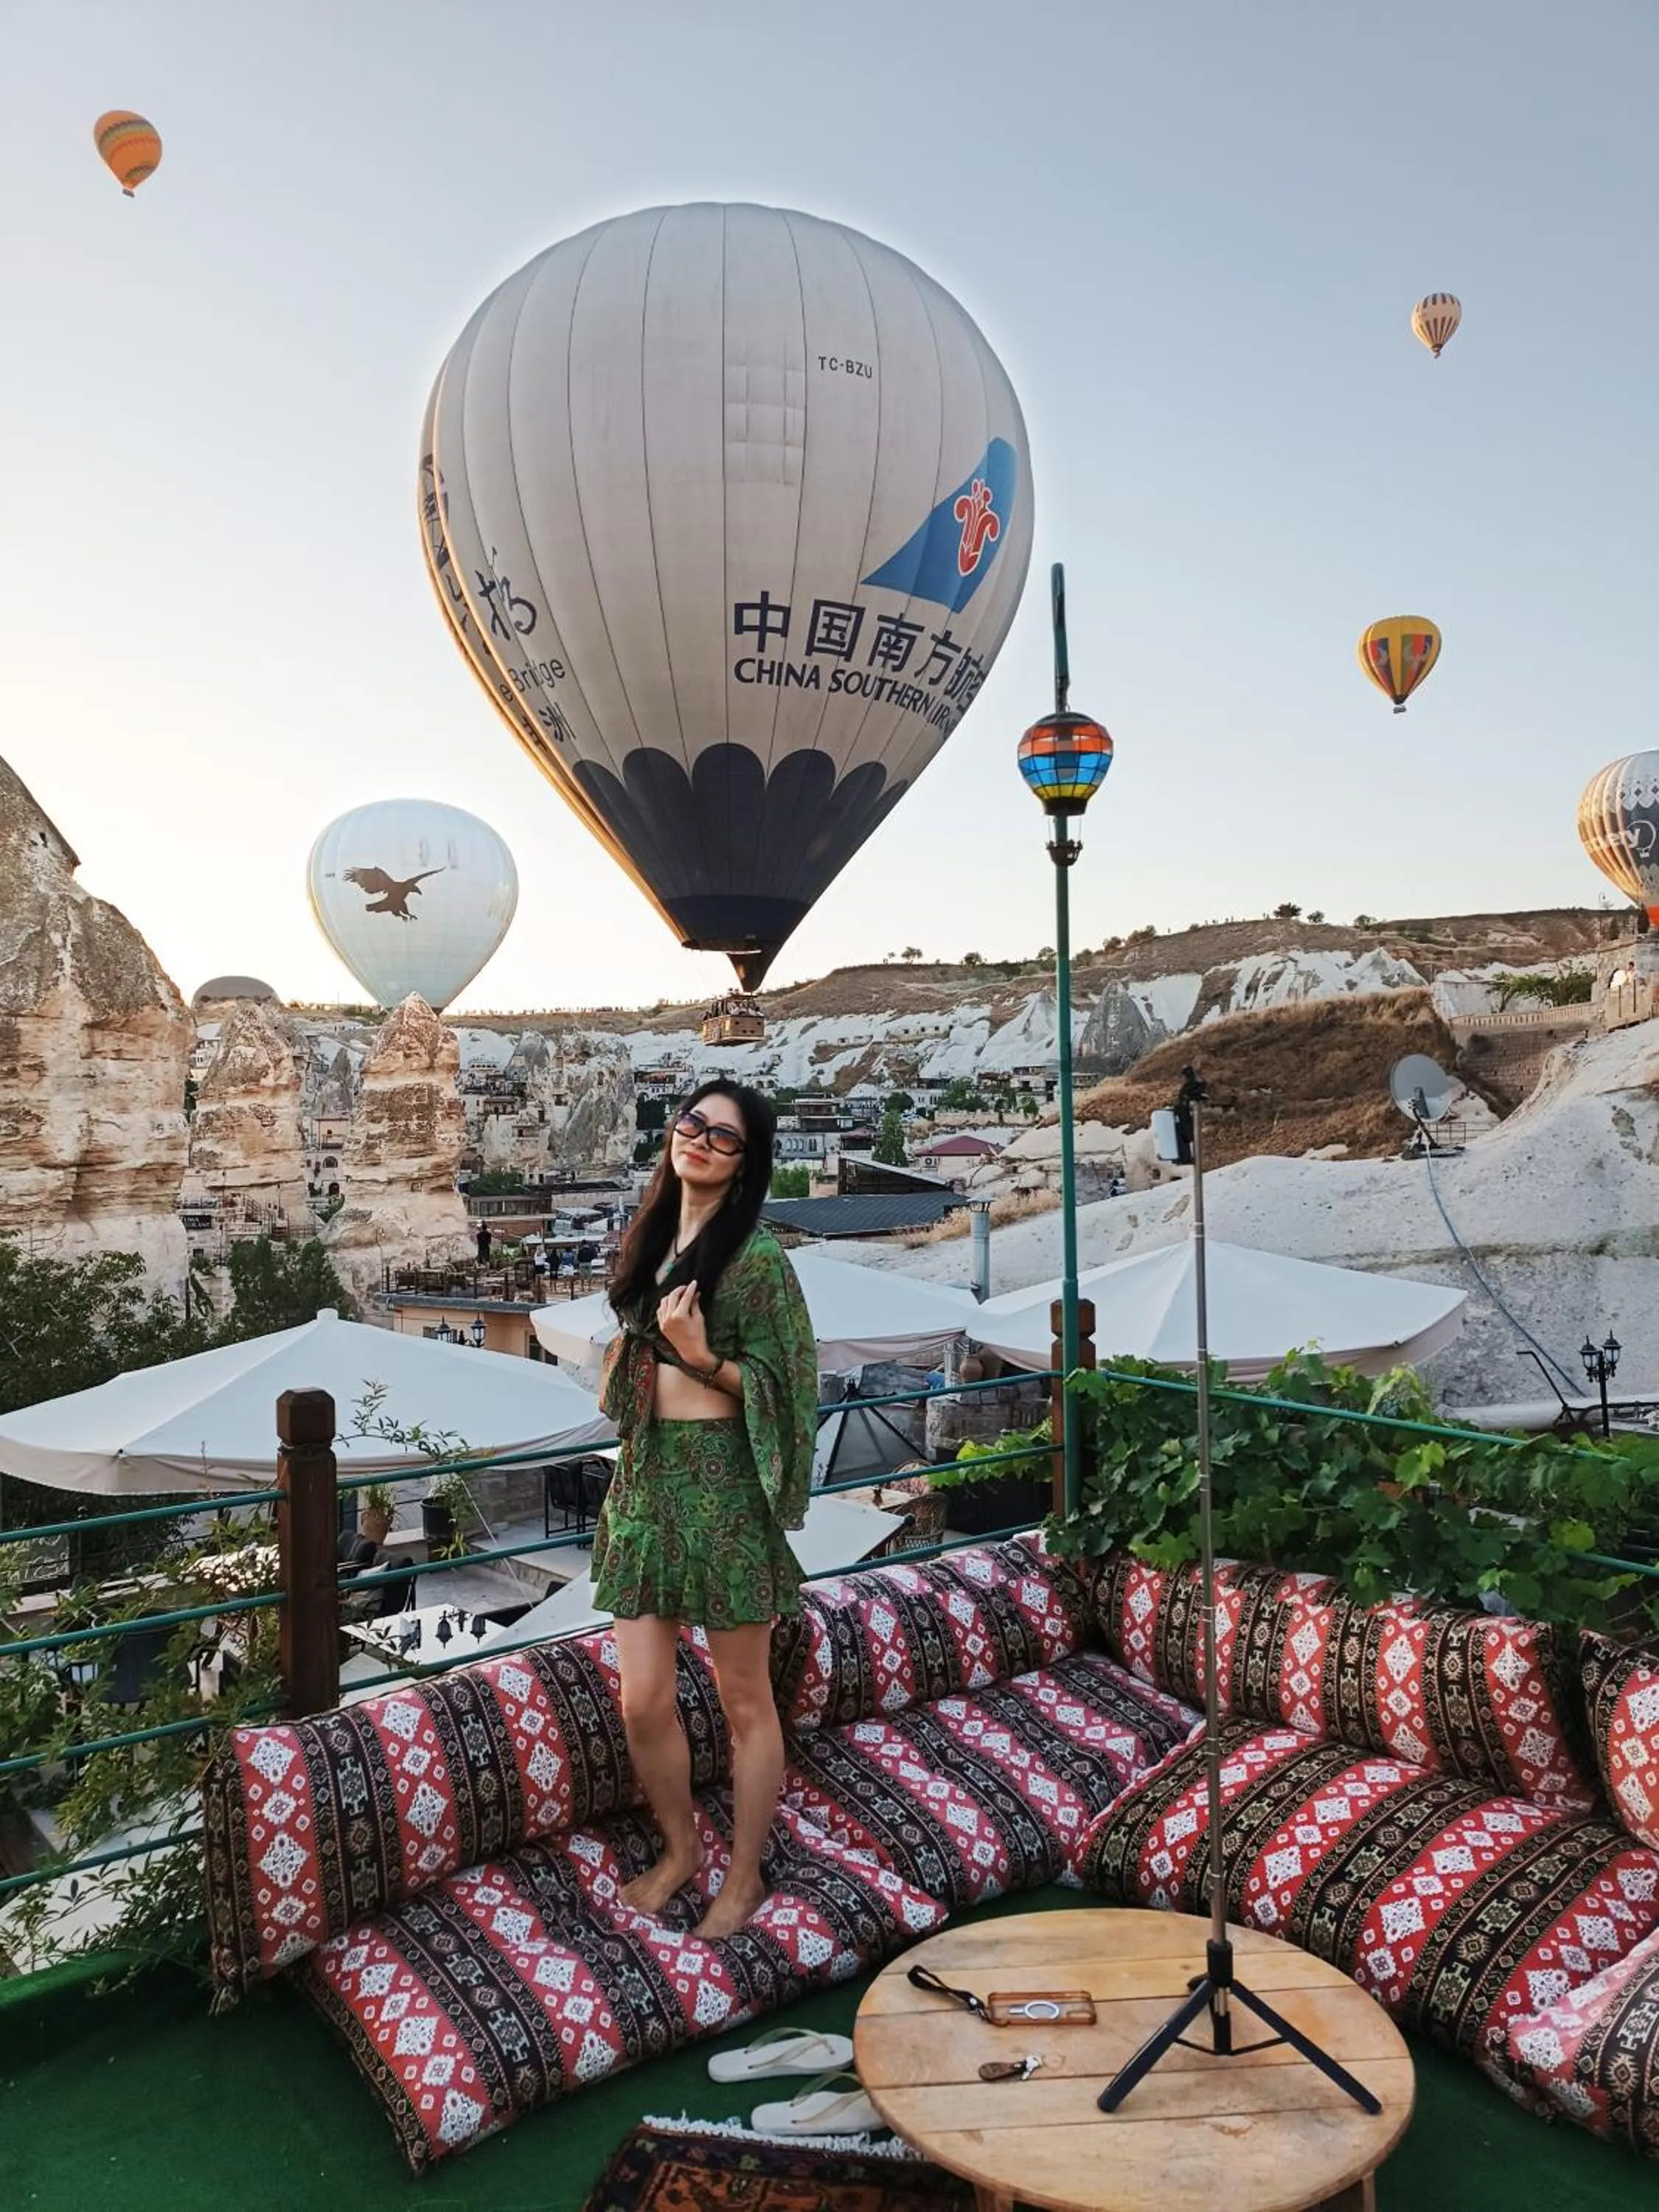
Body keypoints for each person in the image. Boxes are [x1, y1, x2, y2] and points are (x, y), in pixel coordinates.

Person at [591, 1077, 815, 1938]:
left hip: (724, 1487)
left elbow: (789, 1388)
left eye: (725, 1137)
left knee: (744, 1699)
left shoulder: (758, 1262)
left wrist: (697, 1354)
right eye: (694, 1123)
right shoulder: (650, 1238)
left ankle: (745, 1876)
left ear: (746, 1162)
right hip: (647, 1481)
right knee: (643, 1699)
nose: (702, 1141)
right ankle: (682, 1849)